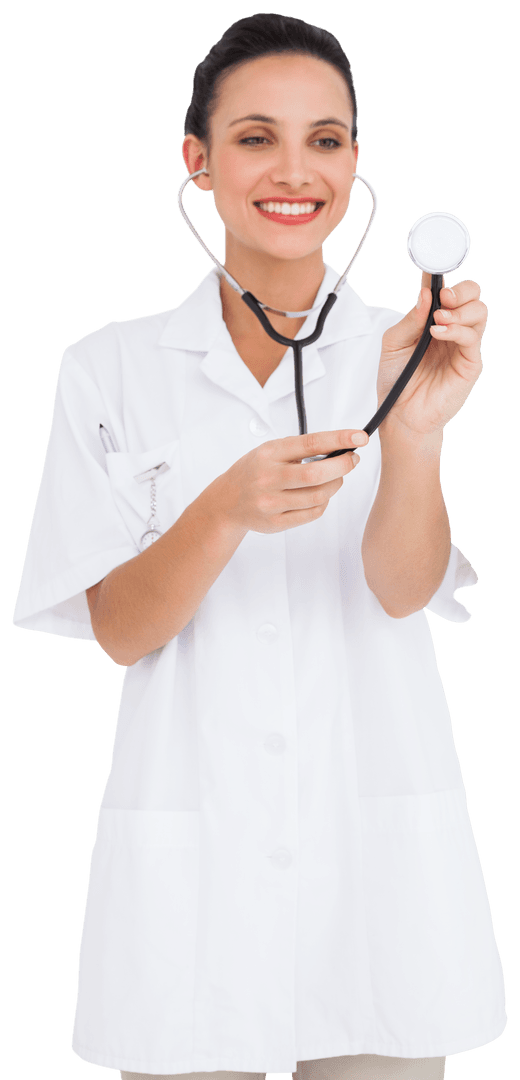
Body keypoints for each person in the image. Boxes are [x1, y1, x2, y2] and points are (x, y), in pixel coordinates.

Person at [12, 13, 507, 1080]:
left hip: (374, 860)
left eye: (325, 140)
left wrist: (412, 434)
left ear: (355, 163)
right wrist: (221, 508)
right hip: (194, 881)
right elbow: (118, 630)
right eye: (254, 137)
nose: (295, 170)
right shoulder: (110, 368)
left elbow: (400, 587)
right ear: (196, 160)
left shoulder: (396, 354)